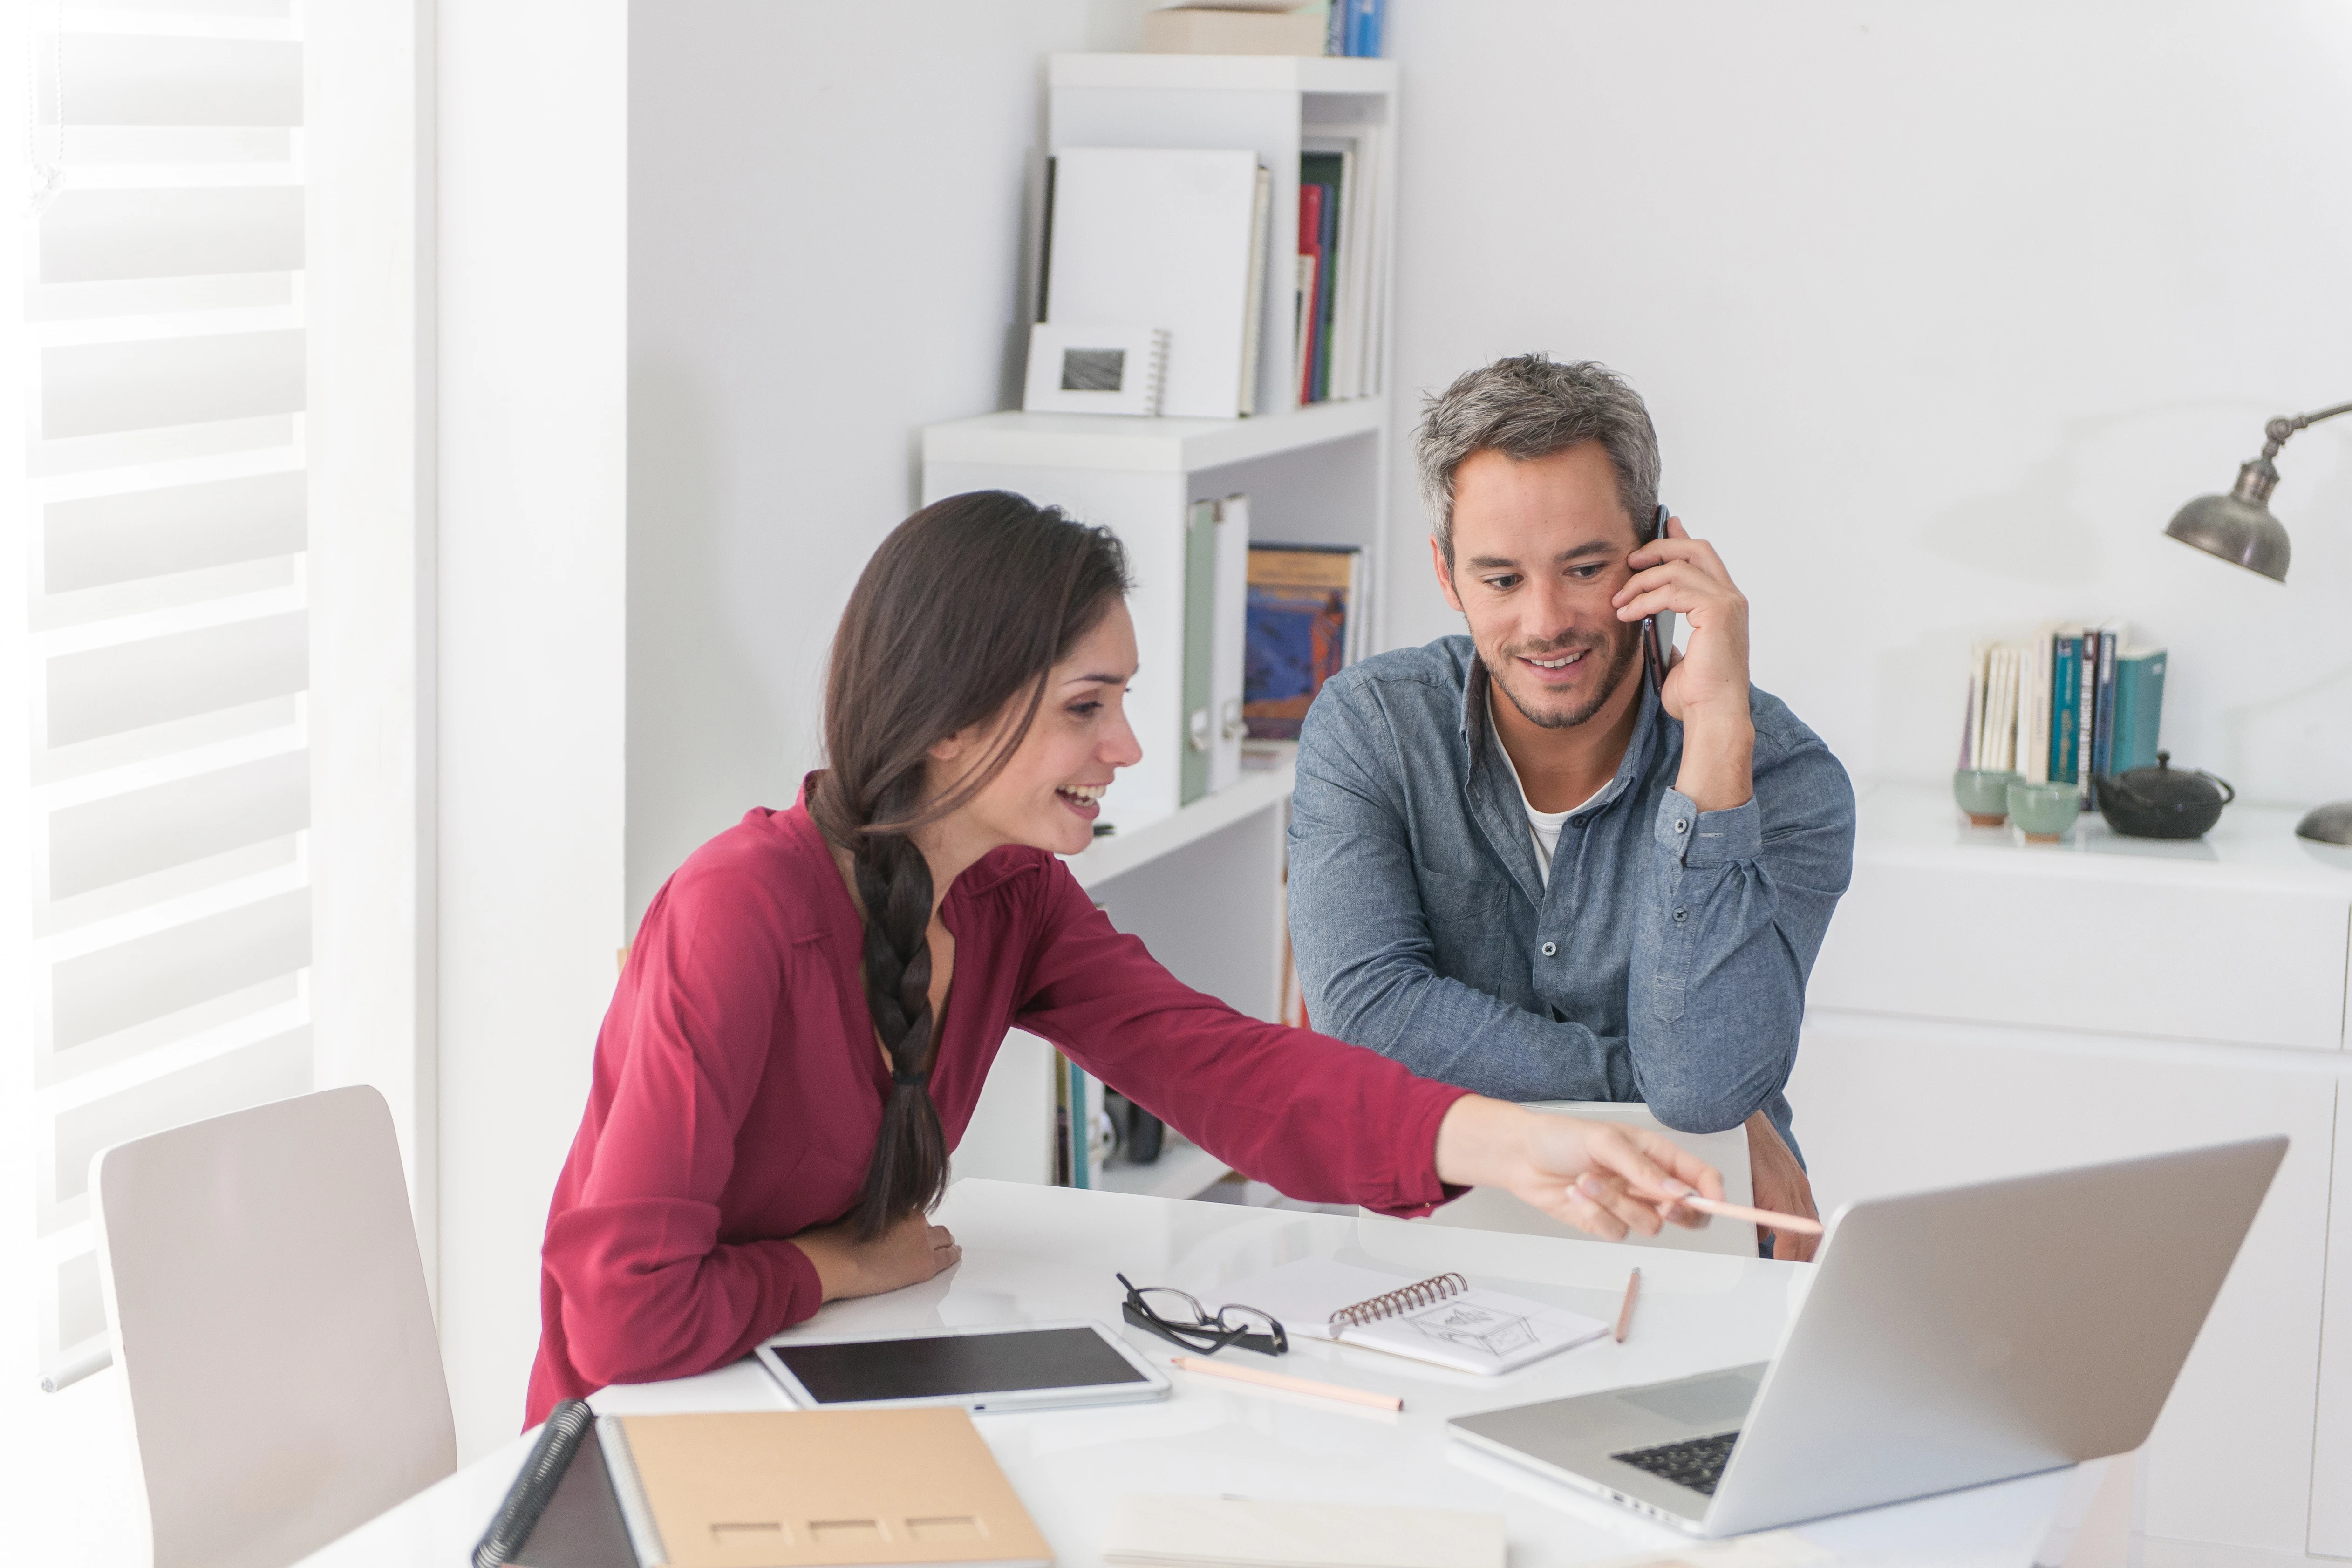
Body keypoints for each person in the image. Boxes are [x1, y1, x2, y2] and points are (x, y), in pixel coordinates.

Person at [525, 491, 1725, 1424]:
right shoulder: (738, 912)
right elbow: (622, 1314)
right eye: (1087, 707)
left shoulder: (1015, 899)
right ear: (951, 722)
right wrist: (829, 1267)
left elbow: (1229, 1069)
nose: (1129, 745)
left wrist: (1516, 1142)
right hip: (646, 1446)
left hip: (805, 1402)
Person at [1285, 355, 1854, 1261]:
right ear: (1446, 574)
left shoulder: (1780, 776)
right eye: (1502, 580)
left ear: (1660, 550)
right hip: (1429, 1245)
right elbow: (1367, 1014)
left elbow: (1704, 1087)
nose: (1545, 621)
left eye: (1584, 568)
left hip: (1697, 1244)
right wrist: (1659, 1095)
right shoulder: (1373, 730)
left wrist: (1713, 737)